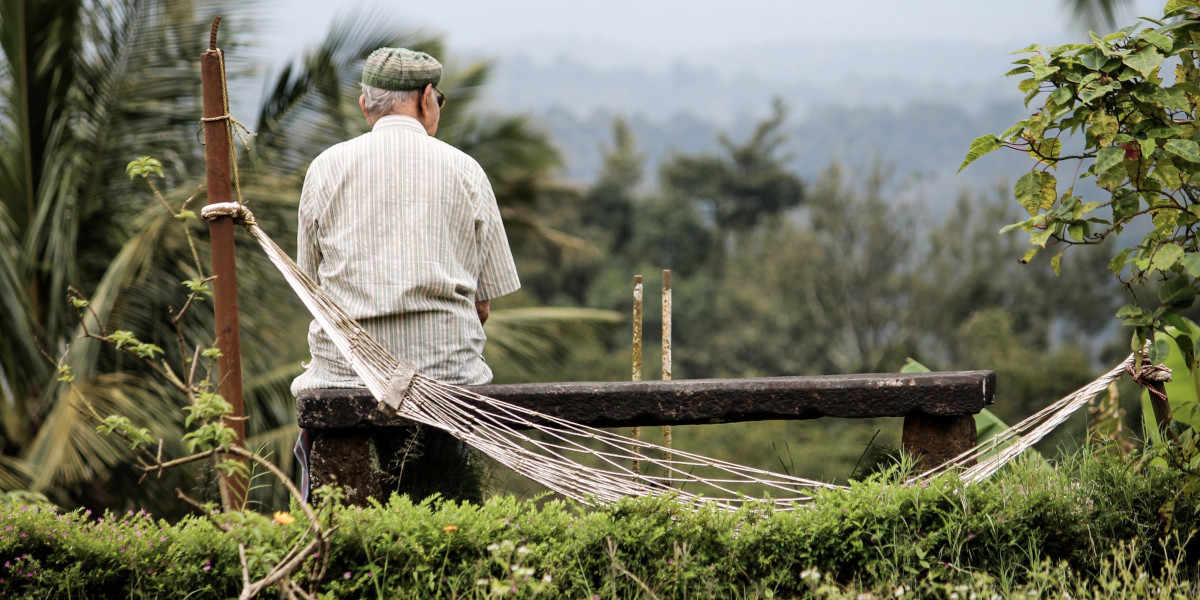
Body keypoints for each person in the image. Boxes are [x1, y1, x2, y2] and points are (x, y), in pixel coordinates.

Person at [290, 47, 521, 500]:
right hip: (446, 378)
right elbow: (483, 305)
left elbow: (310, 288)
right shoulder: (466, 170)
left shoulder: (325, 169)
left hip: (343, 375)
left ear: (365, 105)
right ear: (428, 97)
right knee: (447, 492)